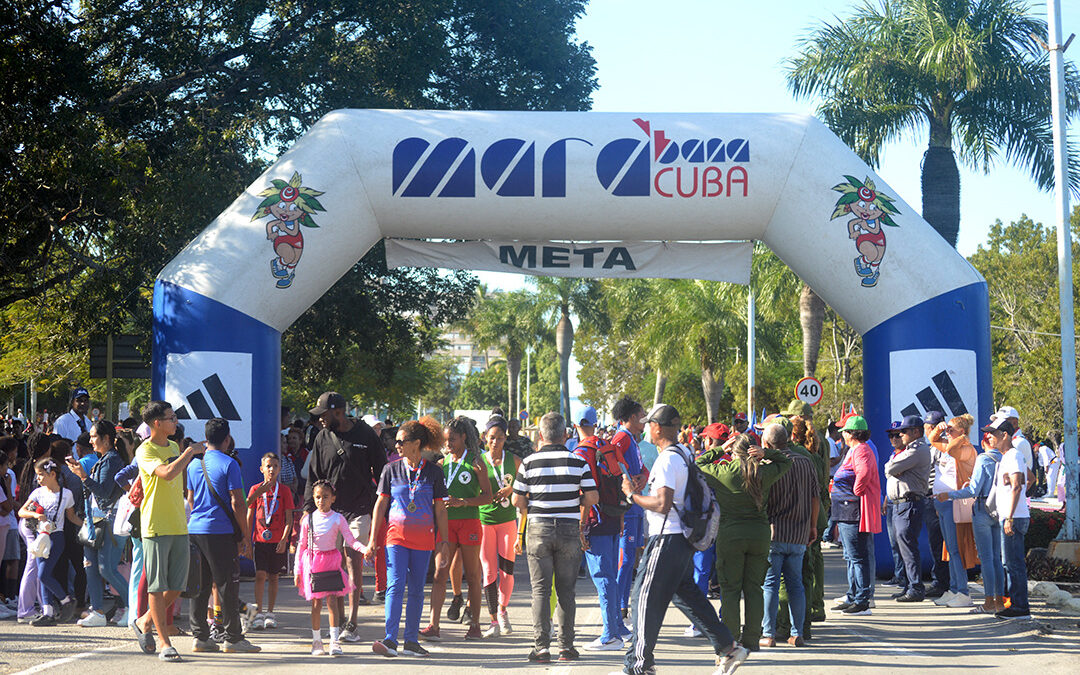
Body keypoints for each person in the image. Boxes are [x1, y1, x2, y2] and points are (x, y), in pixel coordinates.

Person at [620, 404, 750, 675]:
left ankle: (638, 665)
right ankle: (728, 647)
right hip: (683, 539)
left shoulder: (668, 459)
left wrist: (632, 495)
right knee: (686, 596)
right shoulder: (684, 453)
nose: (645, 429)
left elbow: (662, 503)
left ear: (657, 427)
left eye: (648, 424)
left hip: (666, 538)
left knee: (642, 598)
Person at [512, 412, 598, 664]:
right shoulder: (578, 462)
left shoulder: (528, 463)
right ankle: (566, 647)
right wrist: (573, 502)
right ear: (565, 434)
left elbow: (518, 501)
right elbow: (592, 497)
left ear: (541, 435)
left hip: (538, 529)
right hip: (569, 529)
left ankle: (541, 648)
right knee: (566, 591)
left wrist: (537, 502)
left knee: (540, 590)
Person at [304, 391, 387, 643]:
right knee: (334, 564)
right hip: (330, 512)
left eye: (324, 414)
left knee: (353, 561)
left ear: (338, 412)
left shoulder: (365, 434)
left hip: (360, 509)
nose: (320, 420)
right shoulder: (321, 437)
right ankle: (337, 620)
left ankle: (352, 622)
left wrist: (384, 504)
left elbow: (382, 471)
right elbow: (313, 476)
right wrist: (309, 511)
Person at [697, 432, 791, 651]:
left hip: (730, 535)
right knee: (754, 589)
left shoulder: (723, 472)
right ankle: (751, 640)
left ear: (733, 451)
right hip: (759, 534)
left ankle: (731, 640)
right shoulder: (763, 472)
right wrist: (766, 453)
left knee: (730, 589)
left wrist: (720, 449)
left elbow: (698, 462)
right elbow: (786, 461)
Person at [367, 417, 451, 658]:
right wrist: (373, 539)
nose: (397, 446)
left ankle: (411, 641)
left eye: (401, 441)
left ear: (416, 443)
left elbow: (441, 510)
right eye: (395, 442)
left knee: (416, 590)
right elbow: (380, 505)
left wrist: (443, 542)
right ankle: (390, 639)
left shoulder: (434, 472)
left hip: (424, 540)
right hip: (396, 538)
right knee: (394, 585)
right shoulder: (390, 469)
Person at [132, 400, 199, 662]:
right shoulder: (144, 450)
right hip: (156, 526)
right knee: (157, 587)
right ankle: (164, 642)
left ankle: (144, 621)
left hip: (179, 524)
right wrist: (189, 453)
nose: (176, 422)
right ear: (157, 423)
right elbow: (167, 473)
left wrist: (184, 453)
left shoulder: (173, 445)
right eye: (171, 418)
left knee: (180, 585)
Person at [186, 418, 259, 654]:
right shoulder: (230, 464)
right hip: (220, 532)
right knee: (228, 585)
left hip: (195, 530)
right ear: (227, 439)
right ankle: (233, 639)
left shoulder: (193, 464)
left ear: (205, 439)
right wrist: (245, 536)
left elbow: (191, 500)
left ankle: (200, 637)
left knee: (201, 586)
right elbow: (238, 502)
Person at [421, 417, 492, 641]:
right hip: (446, 524)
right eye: (445, 440)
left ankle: (476, 626)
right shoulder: (442, 464)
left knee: (472, 575)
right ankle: (433, 625)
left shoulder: (476, 462)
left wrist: (464, 502)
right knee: (440, 573)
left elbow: (488, 497)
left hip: (469, 522)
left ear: (463, 437)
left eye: (452, 439)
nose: (448, 443)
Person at [571, 404, 631, 650]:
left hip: (595, 520)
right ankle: (619, 627)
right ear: (595, 424)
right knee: (611, 576)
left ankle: (610, 635)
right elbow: (623, 482)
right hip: (614, 516)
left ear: (576, 426)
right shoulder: (608, 446)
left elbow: (585, 493)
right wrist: (621, 519)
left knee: (602, 577)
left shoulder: (580, 453)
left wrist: (581, 526)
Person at [759, 423, 818, 648]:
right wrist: (812, 526)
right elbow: (815, 497)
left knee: (770, 584)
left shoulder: (768, 463)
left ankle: (769, 634)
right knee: (796, 585)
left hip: (774, 533)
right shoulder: (805, 461)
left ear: (767, 444)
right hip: (799, 534)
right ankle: (797, 633)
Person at [66, 420, 129, 627]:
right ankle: (98, 610)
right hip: (95, 520)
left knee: (107, 569)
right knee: (90, 567)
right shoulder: (104, 459)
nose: (91, 440)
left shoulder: (111, 460)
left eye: (94, 436)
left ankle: (132, 608)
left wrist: (83, 476)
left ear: (106, 438)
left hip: (107, 520)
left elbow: (103, 493)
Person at [295, 480, 369, 657]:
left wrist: (365, 549)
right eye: (318, 497)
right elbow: (302, 545)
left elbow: (350, 540)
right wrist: (297, 570)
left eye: (325, 497)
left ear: (333, 499)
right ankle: (316, 641)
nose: (321, 501)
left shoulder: (338, 518)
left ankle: (334, 641)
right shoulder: (308, 519)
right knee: (316, 604)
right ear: (313, 498)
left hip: (332, 561)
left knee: (332, 602)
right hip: (313, 563)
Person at [939, 423, 1005, 614]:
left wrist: (949, 495)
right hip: (999, 508)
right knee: (996, 558)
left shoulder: (984, 459)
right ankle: (999, 600)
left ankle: (988, 602)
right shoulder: (1004, 458)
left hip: (982, 508)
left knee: (986, 560)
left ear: (985, 440)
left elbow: (973, 490)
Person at [18, 458, 82, 626]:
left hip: (56, 537)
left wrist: (87, 525)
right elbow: (21, 511)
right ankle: (48, 612)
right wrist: (35, 515)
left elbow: (71, 517)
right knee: (43, 575)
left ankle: (65, 600)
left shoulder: (66, 494)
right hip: (40, 536)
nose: (38, 479)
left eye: (41, 475)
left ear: (52, 474)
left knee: (43, 574)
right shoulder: (38, 493)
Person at [831, 415, 881, 616]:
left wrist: (857, 492)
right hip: (847, 510)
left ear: (851, 433)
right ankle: (853, 596)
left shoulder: (861, 450)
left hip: (853, 510)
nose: (842, 434)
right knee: (852, 557)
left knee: (857, 557)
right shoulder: (855, 450)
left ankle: (862, 600)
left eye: (844, 431)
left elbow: (864, 472)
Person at [927, 413, 979, 607]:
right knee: (948, 549)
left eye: (951, 429)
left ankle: (963, 591)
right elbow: (932, 440)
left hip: (954, 504)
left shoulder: (965, 448)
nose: (947, 432)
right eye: (947, 429)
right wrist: (939, 430)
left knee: (956, 549)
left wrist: (960, 437)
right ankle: (955, 588)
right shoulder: (952, 446)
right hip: (942, 503)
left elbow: (951, 449)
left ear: (963, 433)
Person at [984, 416, 1033, 620]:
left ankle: (1020, 607)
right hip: (1012, 515)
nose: (989, 437)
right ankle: (1016, 604)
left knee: (1013, 564)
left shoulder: (1012, 455)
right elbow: (1030, 478)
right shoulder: (1009, 456)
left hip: (1013, 517)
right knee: (1010, 563)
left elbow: (1017, 485)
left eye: (993, 434)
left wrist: (1011, 516)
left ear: (1005, 435)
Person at [478, 414, 521, 637]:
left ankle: (503, 612)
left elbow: (525, 485)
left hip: (507, 521)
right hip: (484, 521)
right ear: (485, 437)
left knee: (507, 571)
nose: (496, 442)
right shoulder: (479, 462)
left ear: (505, 439)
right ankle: (493, 620)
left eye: (500, 438)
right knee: (488, 571)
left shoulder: (514, 460)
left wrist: (511, 490)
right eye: (492, 437)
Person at [883, 416, 932, 602]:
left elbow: (891, 468)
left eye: (904, 431)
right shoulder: (907, 451)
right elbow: (890, 467)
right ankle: (908, 585)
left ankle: (916, 588)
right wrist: (894, 468)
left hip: (909, 502)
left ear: (916, 432)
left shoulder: (918, 450)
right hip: (899, 504)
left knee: (908, 547)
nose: (900, 434)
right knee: (902, 547)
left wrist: (895, 468)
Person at [247, 453, 295, 630]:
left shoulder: (284, 491)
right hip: (260, 539)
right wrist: (246, 536)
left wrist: (284, 539)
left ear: (279, 469)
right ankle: (258, 613)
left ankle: (270, 613)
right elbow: (248, 510)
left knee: (274, 577)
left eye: (275, 466)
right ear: (262, 469)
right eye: (268, 466)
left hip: (277, 541)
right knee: (260, 575)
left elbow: (289, 518)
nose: (271, 469)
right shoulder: (255, 489)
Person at [610, 396, 647, 621]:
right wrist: (625, 479)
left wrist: (643, 476)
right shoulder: (621, 437)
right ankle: (618, 606)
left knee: (630, 557)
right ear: (632, 417)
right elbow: (612, 462)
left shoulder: (633, 439)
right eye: (642, 415)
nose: (645, 419)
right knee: (625, 559)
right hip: (628, 508)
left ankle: (623, 604)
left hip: (637, 506)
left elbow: (642, 467)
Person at [921, 410, 950, 598]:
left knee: (940, 543)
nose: (925, 431)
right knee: (936, 542)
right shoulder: (933, 446)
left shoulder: (942, 446)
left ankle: (942, 582)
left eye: (927, 428)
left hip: (937, 497)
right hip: (930, 497)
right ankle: (940, 580)